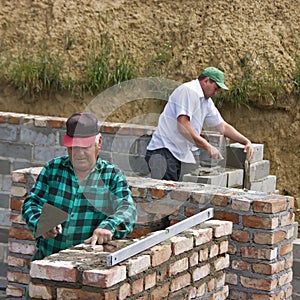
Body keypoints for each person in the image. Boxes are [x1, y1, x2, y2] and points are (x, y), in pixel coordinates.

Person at [22, 112, 137, 260]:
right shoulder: (53, 169)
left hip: (86, 268)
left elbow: (127, 209)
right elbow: (32, 203)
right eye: (73, 148)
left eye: (85, 147)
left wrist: (109, 225)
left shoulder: (111, 175)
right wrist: (41, 223)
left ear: (99, 142)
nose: (79, 153)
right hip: (46, 262)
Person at [146, 66, 254, 181]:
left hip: (179, 155)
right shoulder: (188, 91)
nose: (216, 92)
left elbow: (222, 126)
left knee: (177, 195)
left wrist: (246, 141)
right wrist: (207, 146)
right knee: (165, 196)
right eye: (216, 88)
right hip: (164, 152)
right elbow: (183, 126)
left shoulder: (206, 101)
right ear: (206, 80)